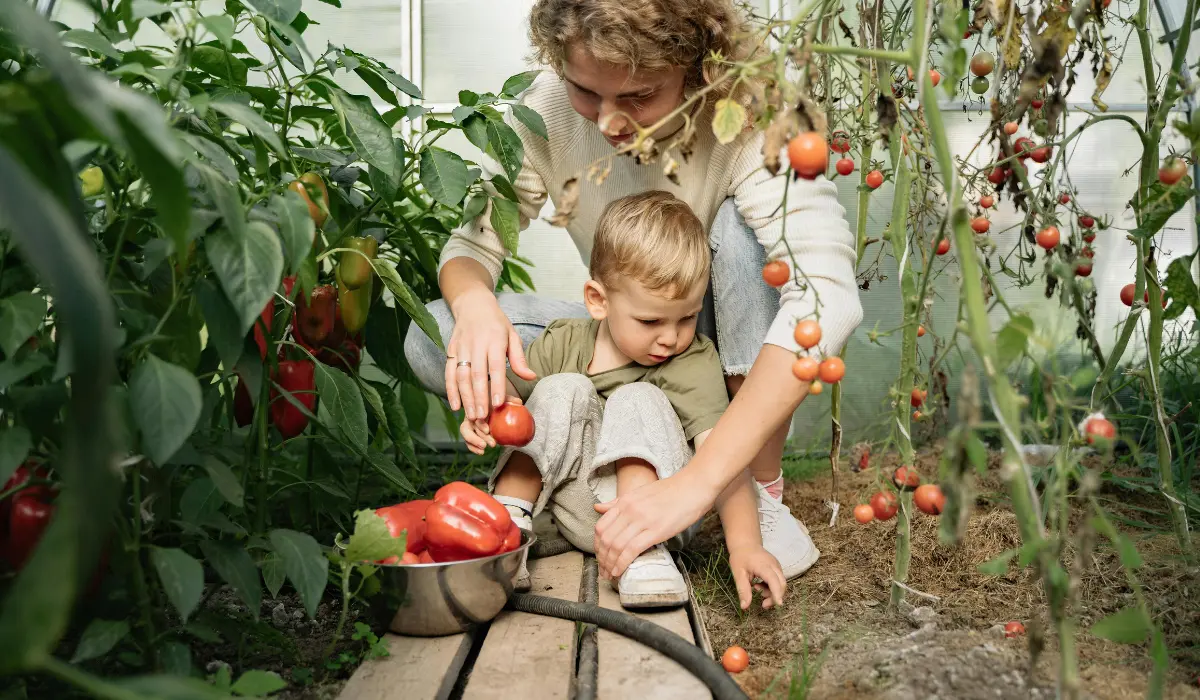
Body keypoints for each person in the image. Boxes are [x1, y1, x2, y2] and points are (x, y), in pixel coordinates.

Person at [404, 0, 862, 582]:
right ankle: (592, 439)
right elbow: (473, 246)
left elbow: (827, 297)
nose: (606, 123)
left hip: (705, 341)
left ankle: (750, 484)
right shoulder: (546, 106)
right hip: (625, 329)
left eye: (639, 96)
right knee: (433, 336)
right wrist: (475, 307)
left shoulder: (758, 114)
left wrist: (700, 485)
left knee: (748, 239)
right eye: (586, 91)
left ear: (700, 69)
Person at [459, 191, 785, 610]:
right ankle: (506, 527)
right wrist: (488, 410)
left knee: (637, 398)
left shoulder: (692, 362)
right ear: (598, 300)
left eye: (687, 317)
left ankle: (641, 555)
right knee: (560, 389)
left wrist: (745, 545)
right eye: (651, 320)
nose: (671, 337)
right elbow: (513, 407)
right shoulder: (564, 341)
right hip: (568, 512)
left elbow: (724, 461)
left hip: (659, 516)